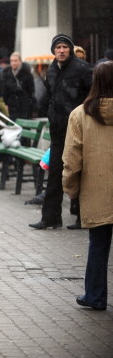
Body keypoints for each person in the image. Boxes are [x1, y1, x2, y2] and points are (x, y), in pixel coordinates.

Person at [62, 61, 113, 311]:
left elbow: (72, 158)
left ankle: (95, 296)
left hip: (97, 191)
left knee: (98, 246)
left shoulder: (80, 114)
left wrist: (70, 188)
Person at [30, 34, 93, 230]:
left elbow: (92, 97)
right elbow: (50, 97)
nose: (62, 50)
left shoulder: (83, 69)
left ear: (71, 49)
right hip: (58, 131)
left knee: (80, 172)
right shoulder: (52, 69)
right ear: (54, 51)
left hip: (78, 130)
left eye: (65, 47)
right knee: (55, 172)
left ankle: (82, 216)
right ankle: (51, 218)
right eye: (58, 47)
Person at [1, 51, 35, 121]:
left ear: (20, 61)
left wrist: (30, 106)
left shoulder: (27, 74)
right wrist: (6, 103)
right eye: (12, 61)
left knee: (24, 127)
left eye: (15, 61)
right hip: (12, 106)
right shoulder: (6, 74)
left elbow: (31, 92)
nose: (13, 63)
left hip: (24, 106)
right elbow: (5, 91)